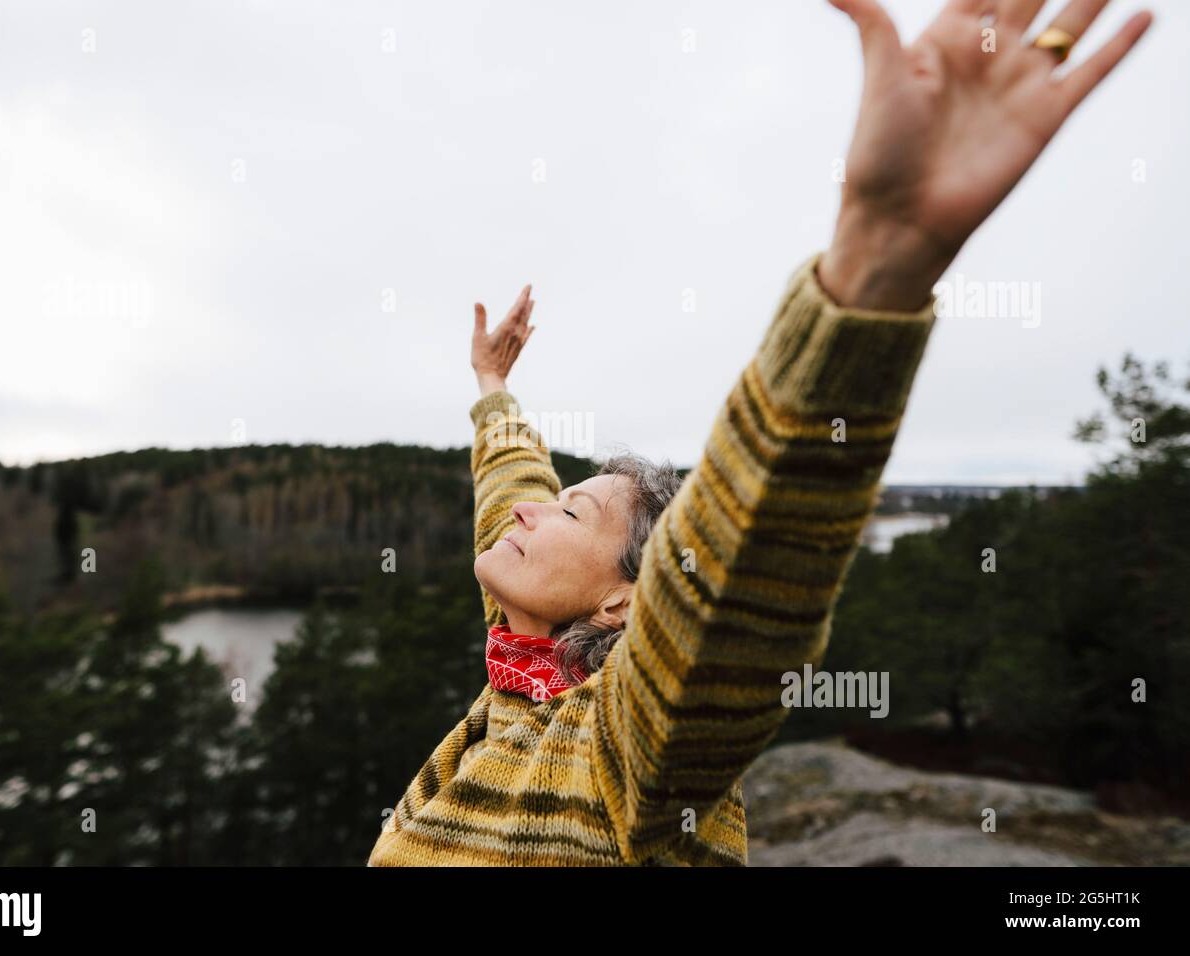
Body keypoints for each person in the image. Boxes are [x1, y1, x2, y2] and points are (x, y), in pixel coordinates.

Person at [368, 0, 1153, 866]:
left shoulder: (630, 741)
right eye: (556, 505)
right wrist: (492, 388)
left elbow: (738, 584)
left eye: (573, 515)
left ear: (627, 601)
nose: (529, 516)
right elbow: (513, 494)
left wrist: (874, 268)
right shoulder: (519, 659)